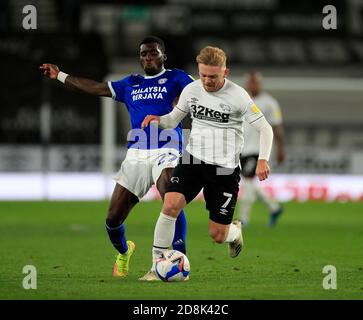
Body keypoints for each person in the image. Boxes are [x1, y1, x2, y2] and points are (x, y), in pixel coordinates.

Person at [39, 36, 194, 278]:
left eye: (153, 53)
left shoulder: (178, 78)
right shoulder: (130, 84)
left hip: (168, 149)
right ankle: (124, 252)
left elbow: (200, 94)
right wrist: (60, 75)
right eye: (143, 54)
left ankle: (179, 255)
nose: (148, 58)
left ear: (163, 55)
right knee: (112, 219)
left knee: (170, 195)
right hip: (136, 154)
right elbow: (95, 88)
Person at [140, 46, 274, 280]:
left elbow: (266, 128)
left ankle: (234, 232)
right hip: (193, 159)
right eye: (203, 75)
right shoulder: (191, 90)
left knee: (217, 235)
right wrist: (157, 120)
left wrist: (263, 159)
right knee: (170, 205)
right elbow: (173, 120)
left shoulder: (239, 95)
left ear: (225, 72)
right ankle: (156, 266)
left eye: (213, 76)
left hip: (224, 168)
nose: (207, 81)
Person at [239, 71, 286, 228]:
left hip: (259, 150)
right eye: (250, 82)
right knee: (250, 183)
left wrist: (280, 149)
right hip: (242, 149)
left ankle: (243, 219)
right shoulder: (241, 101)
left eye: (255, 82)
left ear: (260, 83)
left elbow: (277, 127)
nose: (253, 85)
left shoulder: (269, 103)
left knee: (247, 181)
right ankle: (275, 208)